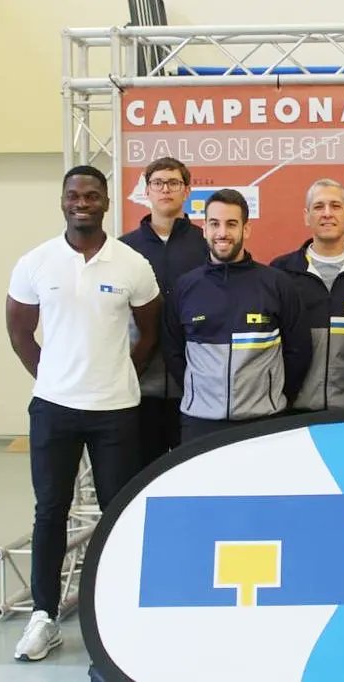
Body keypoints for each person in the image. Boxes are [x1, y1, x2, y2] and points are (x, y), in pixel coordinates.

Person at [6, 165, 161, 662]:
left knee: (118, 510)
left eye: (92, 195)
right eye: (74, 195)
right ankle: (43, 617)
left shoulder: (132, 264)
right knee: (50, 512)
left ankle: (115, 609)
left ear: (106, 202)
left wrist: (118, 372)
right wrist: (51, 376)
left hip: (116, 409)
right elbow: (18, 330)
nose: (83, 202)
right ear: (63, 202)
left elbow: (149, 331)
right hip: (53, 409)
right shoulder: (36, 262)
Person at [163, 189, 311, 441]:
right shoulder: (186, 286)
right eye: (214, 224)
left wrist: (270, 396)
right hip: (199, 422)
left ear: (246, 229)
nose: (222, 233)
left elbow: (298, 350)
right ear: (205, 229)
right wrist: (201, 395)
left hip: (263, 421)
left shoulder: (276, 283)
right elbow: (173, 351)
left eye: (231, 224)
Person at [270, 179, 344, 410]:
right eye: (318, 207)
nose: (327, 214)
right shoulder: (281, 272)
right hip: (293, 411)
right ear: (306, 216)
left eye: (335, 206)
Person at [119, 157, 207, 467]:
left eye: (173, 183)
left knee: (195, 474)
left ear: (187, 191)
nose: (165, 189)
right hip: (141, 386)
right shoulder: (123, 250)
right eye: (158, 183)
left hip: (196, 385)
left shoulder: (207, 245)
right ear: (147, 191)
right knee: (142, 475)